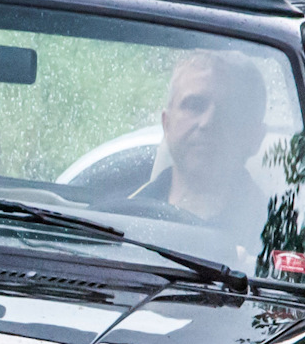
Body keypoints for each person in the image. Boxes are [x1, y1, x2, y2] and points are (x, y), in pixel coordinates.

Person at [104, 49, 268, 249]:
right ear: (166, 123)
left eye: (228, 110)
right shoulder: (119, 218)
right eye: (194, 105)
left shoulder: (280, 234)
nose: (208, 122)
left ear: (255, 137)